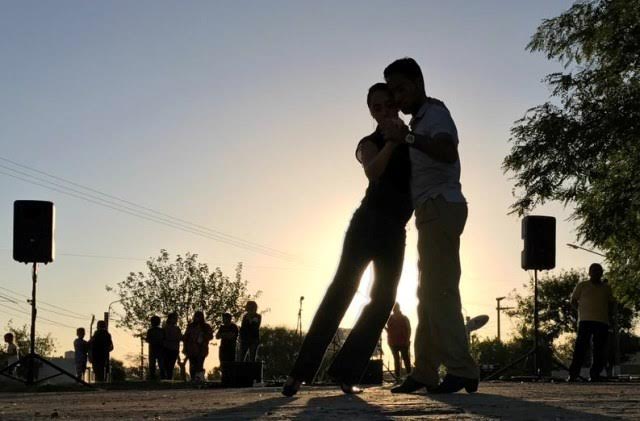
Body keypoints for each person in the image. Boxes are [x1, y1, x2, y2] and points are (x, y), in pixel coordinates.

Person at [282, 82, 412, 397]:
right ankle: (298, 375)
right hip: (367, 223)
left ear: (396, 104)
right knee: (342, 290)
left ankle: (345, 371)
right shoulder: (369, 142)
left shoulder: (414, 141)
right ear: (372, 112)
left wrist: (406, 140)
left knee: (383, 300)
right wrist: (392, 144)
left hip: (395, 230)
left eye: (387, 104)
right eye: (375, 108)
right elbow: (373, 172)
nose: (382, 111)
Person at [382, 57, 478, 394]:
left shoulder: (435, 114)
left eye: (402, 89)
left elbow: (448, 152)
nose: (398, 97)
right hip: (429, 211)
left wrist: (408, 139)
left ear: (419, 84)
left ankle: (462, 368)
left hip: (441, 206)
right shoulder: (418, 120)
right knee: (426, 295)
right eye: (392, 92)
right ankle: (424, 371)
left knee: (440, 292)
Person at [568, 263, 616, 382]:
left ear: (601, 273)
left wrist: (611, 317)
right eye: (593, 271)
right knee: (580, 348)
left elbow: (611, 303)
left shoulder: (606, 287)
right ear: (589, 273)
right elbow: (573, 300)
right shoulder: (582, 285)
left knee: (599, 349)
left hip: (602, 321)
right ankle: (573, 374)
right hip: (585, 320)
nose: (596, 273)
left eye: (598, 271)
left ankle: (595, 374)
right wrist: (580, 311)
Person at [182, 311, 213, 382]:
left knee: (199, 365)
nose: (197, 318)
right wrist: (185, 348)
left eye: (198, 317)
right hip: (191, 349)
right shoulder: (190, 326)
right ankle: (193, 379)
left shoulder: (206, 326)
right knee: (192, 365)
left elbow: (210, 336)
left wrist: (203, 335)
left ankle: (199, 379)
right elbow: (186, 338)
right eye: (196, 316)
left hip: (202, 349)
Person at [386, 303, 412, 380]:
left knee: (406, 359)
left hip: (403, 342)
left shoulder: (404, 318)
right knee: (396, 360)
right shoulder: (390, 318)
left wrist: (407, 340)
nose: (394, 309)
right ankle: (397, 377)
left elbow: (409, 329)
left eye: (395, 308)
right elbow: (389, 330)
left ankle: (409, 377)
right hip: (393, 342)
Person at [162, 312, 182, 380]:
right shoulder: (165, 328)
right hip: (167, 349)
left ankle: (169, 379)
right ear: (170, 319)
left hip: (174, 349)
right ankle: (167, 379)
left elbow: (180, 338)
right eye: (174, 318)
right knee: (167, 366)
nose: (176, 320)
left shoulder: (177, 329)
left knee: (170, 366)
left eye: (176, 318)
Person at [145, 315, 164, 380]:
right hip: (158, 349)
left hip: (155, 349)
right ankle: (160, 377)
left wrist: (153, 341)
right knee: (159, 364)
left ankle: (154, 377)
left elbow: (147, 339)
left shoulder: (150, 330)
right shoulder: (161, 330)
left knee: (155, 364)